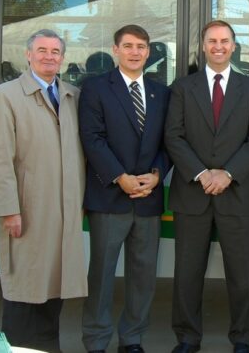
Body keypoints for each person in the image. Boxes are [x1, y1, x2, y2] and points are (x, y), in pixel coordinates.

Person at [164, 20, 249, 353]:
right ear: (203, 46)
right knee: (187, 274)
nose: (219, 46)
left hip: (236, 194)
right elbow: (174, 136)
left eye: (225, 41)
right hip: (192, 193)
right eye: (212, 41)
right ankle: (187, 338)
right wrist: (201, 173)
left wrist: (227, 173)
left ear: (234, 46)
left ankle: (241, 339)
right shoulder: (183, 87)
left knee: (241, 276)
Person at [0, 28, 86, 352]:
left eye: (55, 52)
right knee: (24, 285)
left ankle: (47, 346)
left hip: (64, 209)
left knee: (54, 284)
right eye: (41, 50)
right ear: (28, 55)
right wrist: (8, 209)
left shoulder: (72, 96)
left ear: (62, 58)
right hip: (27, 208)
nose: (48, 57)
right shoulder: (8, 94)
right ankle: (17, 347)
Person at [79, 25, 172, 353]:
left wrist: (158, 174)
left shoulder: (162, 92)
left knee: (143, 277)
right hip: (109, 198)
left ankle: (132, 339)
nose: (136, 52)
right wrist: (120, 176)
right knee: (101, 276)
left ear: (149, 52)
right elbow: (92, 138)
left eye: (142, 47)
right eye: (129, 46)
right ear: (116, 50)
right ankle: (97, 341)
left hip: (148, 199)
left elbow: (168, 141)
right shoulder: (95, 88)